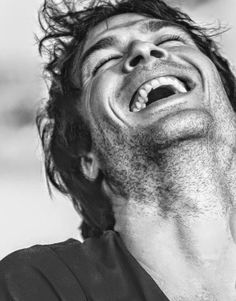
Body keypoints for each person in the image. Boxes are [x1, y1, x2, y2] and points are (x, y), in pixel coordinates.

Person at [1, 0, 236, 300]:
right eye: (103, 61)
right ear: (88, 155)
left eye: (169, 40)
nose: (144, 51)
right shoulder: (35, 285)